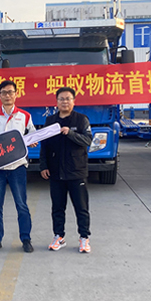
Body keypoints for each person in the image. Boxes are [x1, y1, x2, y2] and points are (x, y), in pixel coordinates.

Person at [0, 80, 36, 253]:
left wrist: (32, 141)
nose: (7, 95)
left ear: (16, 94)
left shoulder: (24, 116)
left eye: (11, 92)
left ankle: (26, 239)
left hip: (17, 167)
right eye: (4, 92)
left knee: (22, 205)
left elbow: (33, 134)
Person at [39, 87, 93, 253]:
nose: (64, 102)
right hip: (56, 172)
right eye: (61, 99)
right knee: (57, 207)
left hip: (77, 171)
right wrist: (43, 165)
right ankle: (58, 236)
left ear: (73, 101)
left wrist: (70, 133)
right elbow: (44, 145)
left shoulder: (81, 120)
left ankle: (84, 238)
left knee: (81, 208)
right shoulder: (50, 121)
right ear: (56, 102)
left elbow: (87, 141)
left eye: (68, 98)